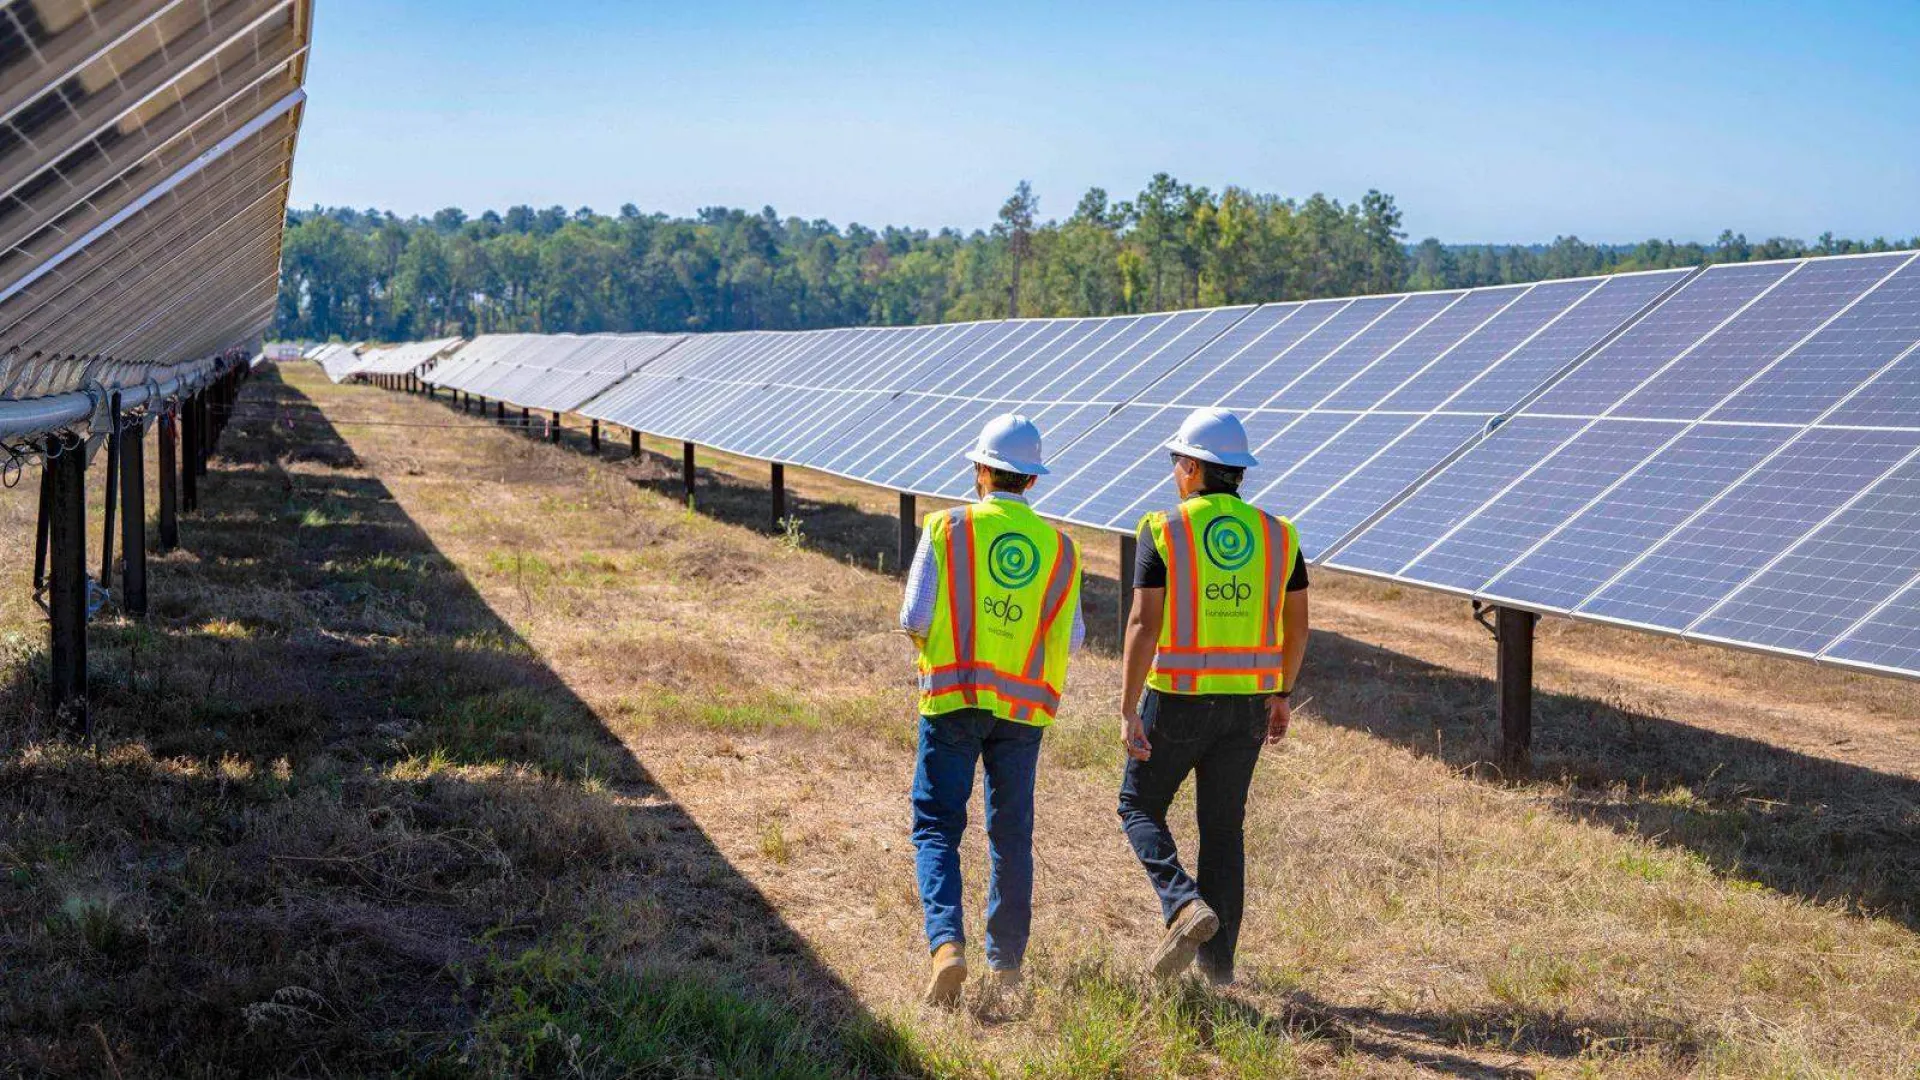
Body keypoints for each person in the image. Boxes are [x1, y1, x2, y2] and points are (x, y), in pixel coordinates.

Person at [1116, 407, 1310, 986]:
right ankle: (1219, 974)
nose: (1175, 470)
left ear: (1195, 468)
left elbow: (1142, 624)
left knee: (1138, 806)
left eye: (1178, 461)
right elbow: (1296, 626)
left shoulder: (1163, 528)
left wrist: (1128, 707)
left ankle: (1181, 903)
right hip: (1249, 702)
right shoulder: (1279, 534)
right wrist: (1282, 692)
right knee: (1223, 830)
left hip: (1177, 697)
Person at [900, 413, 1085, 1006]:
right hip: (1023, 712)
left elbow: (914, 617)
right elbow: (1074, 637)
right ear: (1031, 480)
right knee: (1010, 834)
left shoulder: (945, 528)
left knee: (936, 825)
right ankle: (1006, 969)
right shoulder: (1060, 550)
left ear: (980, 470)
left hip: (953, 698)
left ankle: (947, 948)